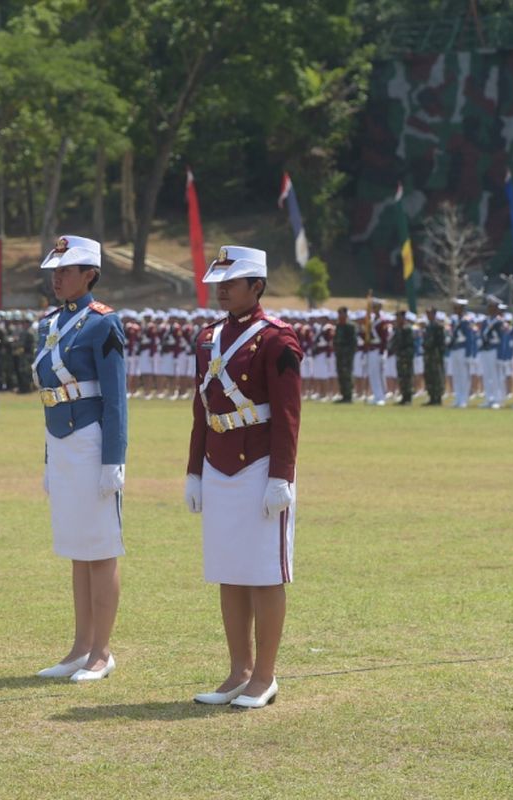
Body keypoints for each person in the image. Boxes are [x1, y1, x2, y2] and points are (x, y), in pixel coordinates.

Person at [184, 246, 301, 710]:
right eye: (219, 282)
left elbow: (289, 415)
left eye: (231, 282)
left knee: (264, 574)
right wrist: (194, 470)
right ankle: (239, 670)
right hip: (218, 464)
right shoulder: (208, 337)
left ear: (257, 286)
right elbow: (202, 409)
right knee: (229, 571)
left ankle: (265, 676)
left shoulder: (278, 339)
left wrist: (281, 475)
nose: (222, 289)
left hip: (257, 464)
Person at [33, 235, 127, 683]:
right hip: (63, 440)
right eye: (54, 270)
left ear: (89, 273)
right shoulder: (48, 323)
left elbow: (115, 399)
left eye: (66, 270)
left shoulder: (102, 323)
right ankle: (79, 646)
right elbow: (49, 398)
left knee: (101, 548)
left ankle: (101, 651)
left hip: (92, 438)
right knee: (76, 549)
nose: (57, 277)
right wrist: (49, 458)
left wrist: (114, 459)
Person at [448, 299, 475, 408]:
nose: (455, 309)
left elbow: (469, 339)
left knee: (464, 376)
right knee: (456, 375)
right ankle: (458, 398)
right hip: (455, 349)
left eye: (457, 307)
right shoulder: (454, 321)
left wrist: (469, 354)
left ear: (462, 309)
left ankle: (464, 399)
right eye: (455, 307)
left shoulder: (466, 321)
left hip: (463, 350)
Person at [422, 307, 446, 406]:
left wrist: (439, 354)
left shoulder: (438, 326)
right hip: (428, 354)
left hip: (435, 355)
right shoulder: (428, 326)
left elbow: (441, 343)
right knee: (429, 375)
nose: (428, 315)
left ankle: (438, 397)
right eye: (427, 313)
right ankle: (431, 396)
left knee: (437, 376)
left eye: (430, 313)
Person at [391, 310, 414, 405]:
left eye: (398, 317)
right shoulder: (397, 329)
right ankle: (404, 396)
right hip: (399, 356)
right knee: (401, 377)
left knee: (407, 377)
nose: (397, 319)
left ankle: (408, 397)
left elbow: (408, 344)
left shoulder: (407, 329)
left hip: (405, 356)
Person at [333, 306, 355, 403]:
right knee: (340, 374)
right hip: (339, 354)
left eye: (341, 313)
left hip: (347, 355)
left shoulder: (350, 326)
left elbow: (353, 343)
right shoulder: (338, 325)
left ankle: (348, 396)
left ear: (346, 314)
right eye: (339, 314)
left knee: (347, 375)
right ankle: (343, 395)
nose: (339, 316)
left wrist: (349, 354)